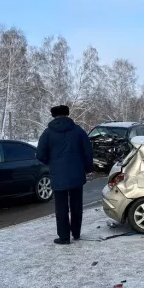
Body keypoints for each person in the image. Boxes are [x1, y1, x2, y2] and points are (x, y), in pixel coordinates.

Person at [37, 105, 93, 245]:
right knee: (76, 205)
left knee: (61, 207)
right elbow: (88, 152)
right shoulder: (78, 131)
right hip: (76, 174)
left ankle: (64, 237)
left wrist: (51, 162)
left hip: (58, 174)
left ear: (53, 115)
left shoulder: (48, 133)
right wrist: (87, 168)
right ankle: (76, 233)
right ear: (67, 114)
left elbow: (40, 154)